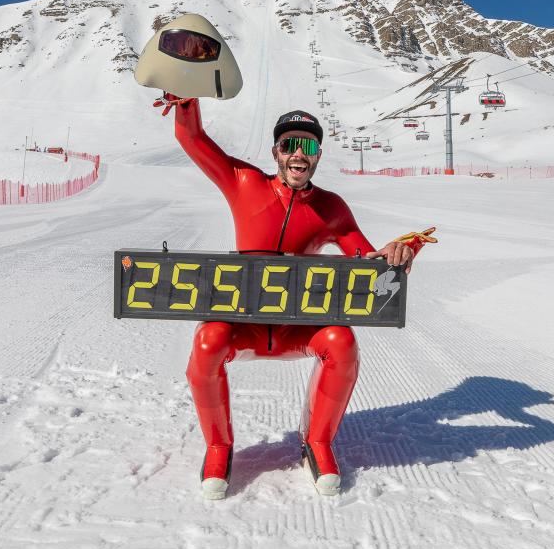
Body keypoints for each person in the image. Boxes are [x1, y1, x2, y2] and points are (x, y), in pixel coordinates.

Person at [154, 94, 435, 499]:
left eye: (309, 146)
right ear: (277, 152)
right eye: (290, 145)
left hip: (294, 328)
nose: (299, 154)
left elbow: (367, 263)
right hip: (244, 326)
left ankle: (317, 442)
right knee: (207, 339)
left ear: (318, 155)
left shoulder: (331, 208)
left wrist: (396, 254)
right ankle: (219, 446)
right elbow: (193, 138)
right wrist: (185, 98)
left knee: (341, 340)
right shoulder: (244, 182)